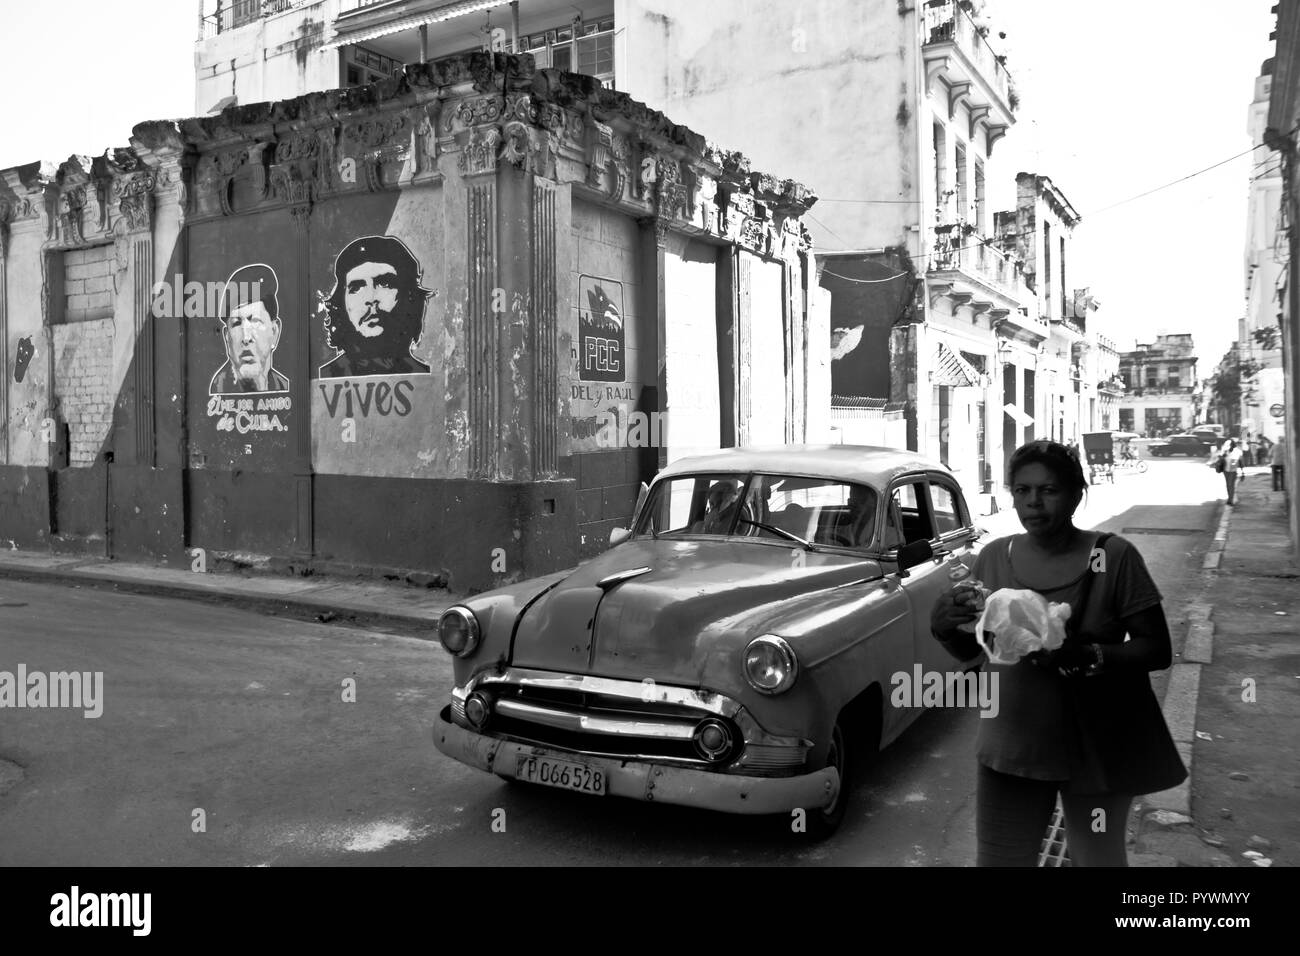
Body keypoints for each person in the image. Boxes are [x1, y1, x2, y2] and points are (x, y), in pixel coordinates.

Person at [929, 440, 1186, 867]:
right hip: (1011, 748)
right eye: (1022, 491)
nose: (1033, 503)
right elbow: (979, 654)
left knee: (1098, 859)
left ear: (1075, 494)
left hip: (1098, 753)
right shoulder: (993, 557)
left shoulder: (1110, 557)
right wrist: (942, 628)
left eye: (1048, 490)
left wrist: (1086, 656)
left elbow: (1156, 649)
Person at [319, 235, 435, 378]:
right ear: (341, 303)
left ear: (409, 296)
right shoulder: (326, 377)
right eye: (356, 288)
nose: (371, 298)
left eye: (385, 284)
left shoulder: (425, 379)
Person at [209, 263, 289, 394]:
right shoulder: (216, 393)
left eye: (255, 321)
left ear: (274, 332)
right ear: (226, 337)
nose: (246, 338)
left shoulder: (284, 388)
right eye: (236, 323)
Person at [1214, 439, 1244, 505]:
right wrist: (1222, 456)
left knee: (1231, 485)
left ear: (1233, 445)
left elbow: (1241, 462)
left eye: (1231, 445)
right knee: (1228, 485)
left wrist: (1242, 472)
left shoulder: (1238, 451)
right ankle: (1230, 498)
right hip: (1226, 470)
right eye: (1229, 445)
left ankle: (1231, 500)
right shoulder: (1225, 451)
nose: (1230, 446)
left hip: (1233, 471)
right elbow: (1220, 458)